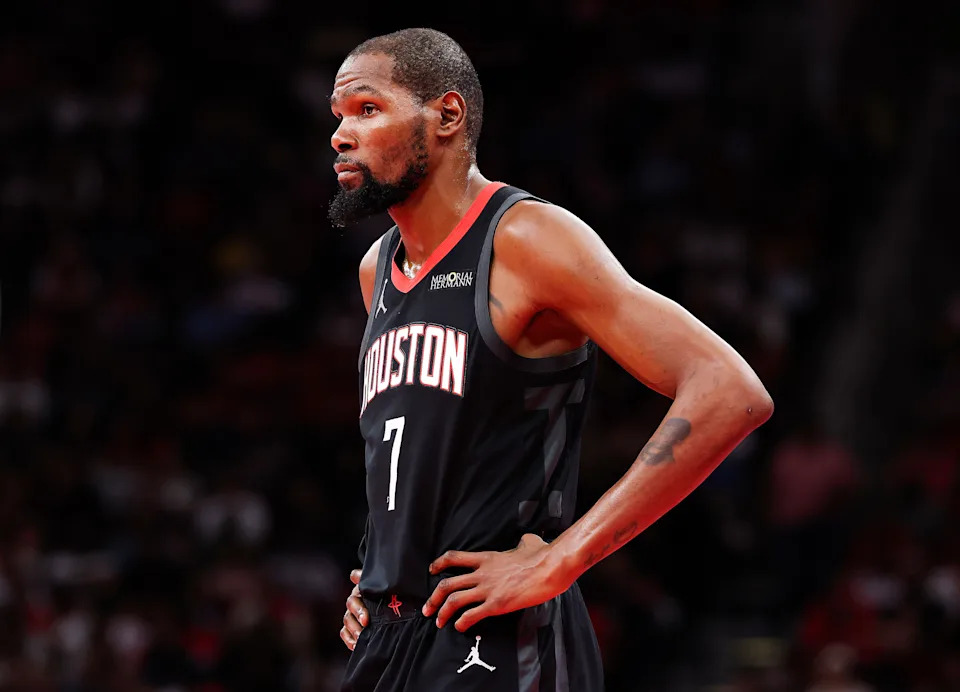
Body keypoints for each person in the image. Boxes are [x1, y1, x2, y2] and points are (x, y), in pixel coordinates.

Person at [331, 28, 773, 692]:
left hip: (498, 634)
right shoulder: (378, 271)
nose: (340, 134)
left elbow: (729, 390)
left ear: (447, 116)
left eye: (367, 110)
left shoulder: (526, 239)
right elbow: (418, 445)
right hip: (391, 635)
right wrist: (383, 568)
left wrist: (563, 559)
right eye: (337, 117)